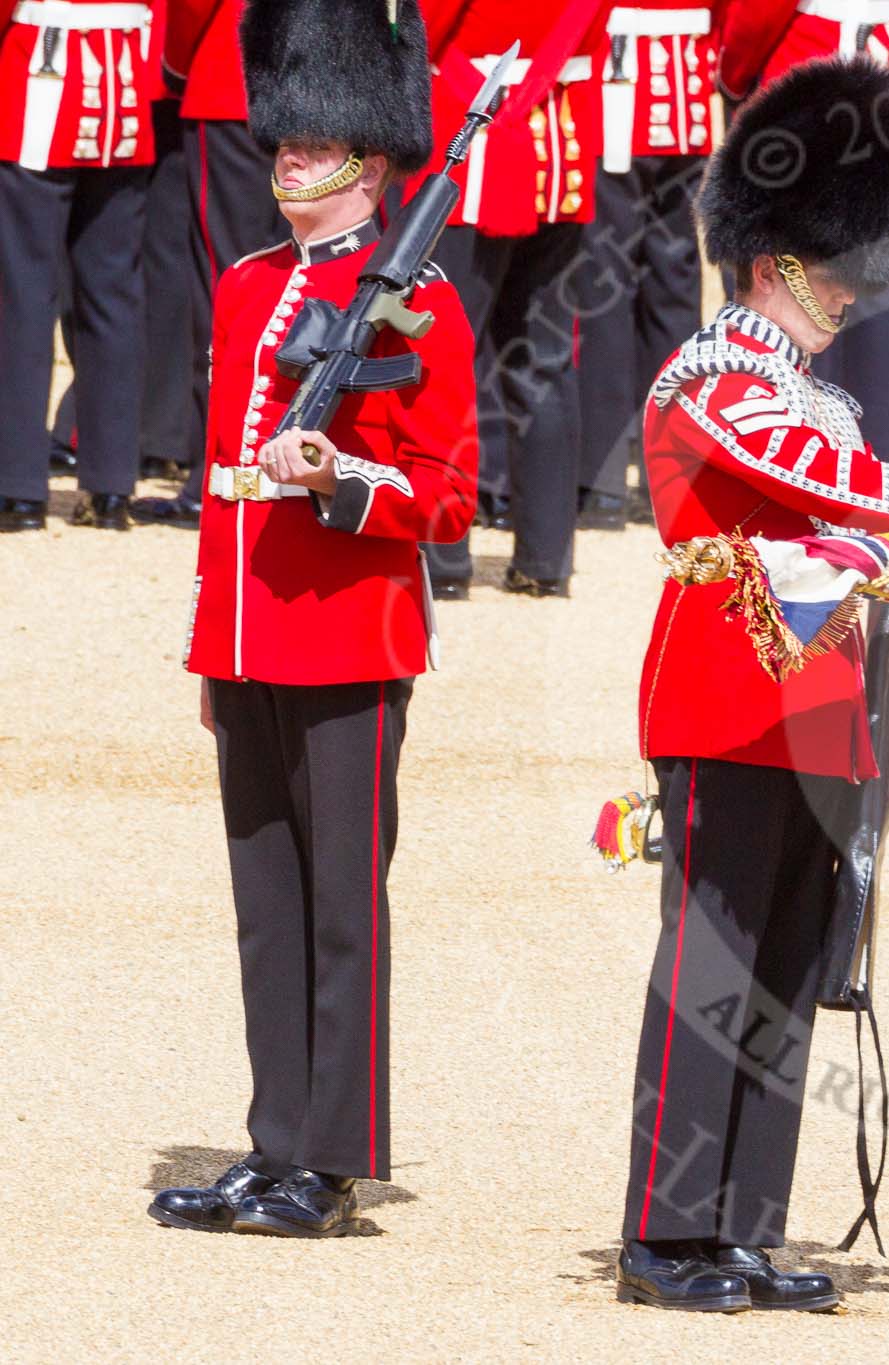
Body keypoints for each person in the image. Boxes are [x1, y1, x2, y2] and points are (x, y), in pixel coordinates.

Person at [613, 57, 889, 1314]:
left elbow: (874, 534)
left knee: (786, 973)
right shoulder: (713, 376)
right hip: (722, 694)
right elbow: (831, 485)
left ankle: (743, 1227)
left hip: (821, 707)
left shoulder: (820, 393)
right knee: (712, 964)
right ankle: (665, 1234)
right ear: (772, 263)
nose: (854, 290)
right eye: (833, 266)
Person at [145, 0, 478, 1239]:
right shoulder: (246, 287)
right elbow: (224, 482)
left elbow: (447, 496)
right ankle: (274, 1140)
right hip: (247, 634)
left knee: (343, 906)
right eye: (285, 142)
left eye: (315, 145)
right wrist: (213, 638)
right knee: (265, 905)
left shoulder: (421, 302)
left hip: (348, 635)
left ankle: (332, 1162)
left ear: (370, 163)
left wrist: (343, 481)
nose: (290, 159)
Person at [421, 1, 609, 598]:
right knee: (543, 361)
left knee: (443, 355)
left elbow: (424, 26)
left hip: (470, 137)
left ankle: (442, 557)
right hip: (558, 142)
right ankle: (544, 560)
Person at [721, 1, 889, 470]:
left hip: (814, 64)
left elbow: (758, 14)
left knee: (794, 284)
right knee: (879, 285)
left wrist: (733, 78)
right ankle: (878, 470)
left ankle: (800, 463)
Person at [133, 0, 296, 530]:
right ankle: (286, 462)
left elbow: (192, 9)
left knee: (226, 286)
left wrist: (177, 67)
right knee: (300, 280)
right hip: (316, 89)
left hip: (233, 82)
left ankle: (220, 472)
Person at [0, 0, 162, 533]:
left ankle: (18, 488)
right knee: (113, 301)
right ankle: (110, 488)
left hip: (40, 87)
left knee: (22, 299)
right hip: (123, 92)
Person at [573, 0, 720, 530]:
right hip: (684, 87)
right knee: (673, 286)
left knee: (606, 289)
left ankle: (605, 481)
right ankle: (672, 474)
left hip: (617, 86)